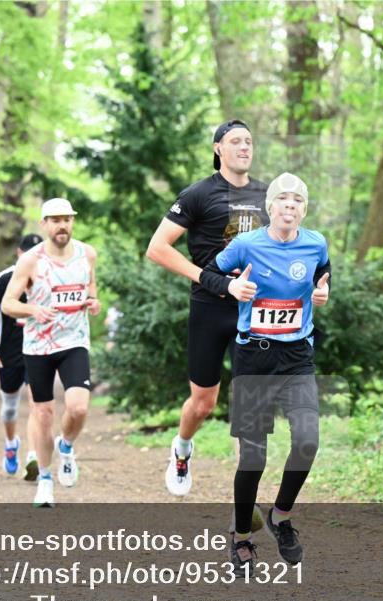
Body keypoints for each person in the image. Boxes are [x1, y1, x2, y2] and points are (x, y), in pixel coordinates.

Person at [206, 173, 330, 573]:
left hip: (296, 357)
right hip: (254, 357)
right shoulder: (246, 245)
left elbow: (323, 276)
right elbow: (208, 276)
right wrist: (230, 288)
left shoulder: (316, 243)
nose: (290, 205)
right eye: (283, 199)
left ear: (303, 210)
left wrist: (323, 292)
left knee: (307, 441)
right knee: (253, 459)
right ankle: (242, 537)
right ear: (270, 206)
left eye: (298, 200)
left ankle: (281, 516)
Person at [146, 119, 270, 497]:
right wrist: (207, 278)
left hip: (252, 309)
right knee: (203, 404)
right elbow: (157, 248)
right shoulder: (199, 194)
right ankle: (182, 448)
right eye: (236, 141)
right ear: (218, 149)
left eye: (249, 141)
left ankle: (245, 503)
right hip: (209, 308)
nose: (244, 147)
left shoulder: (267, 194)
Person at [2, 199, 100, 508]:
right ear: (44, 224)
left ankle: (66, 446)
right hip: (39, 346)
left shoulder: (87, 254)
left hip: (74, 342)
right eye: (55, 220)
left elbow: (91, 287)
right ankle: (45, 480)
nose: (62, 225)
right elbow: (8, 303)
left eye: (67, 219)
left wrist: (93, 301)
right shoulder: (30, 260)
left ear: (72, 222)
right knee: (42, 414)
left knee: (78, 408)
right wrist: (33, 309)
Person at [0, 233, 43, 479]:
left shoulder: (48, 277)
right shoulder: (5, 279)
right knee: (9, 408)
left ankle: (33, 456)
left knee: (37, 403)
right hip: (9, 353)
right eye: (29, 253)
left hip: (38, 350)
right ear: (19, 253)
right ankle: (10, 444)